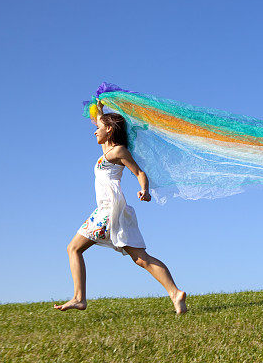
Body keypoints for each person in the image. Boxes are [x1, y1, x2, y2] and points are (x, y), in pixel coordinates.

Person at [55, 100, 187, 314]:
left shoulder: (118, 151)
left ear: (109, 129)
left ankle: (79, 297)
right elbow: (96, 118)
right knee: (141, 258)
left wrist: (145, 190)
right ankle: (175, 293)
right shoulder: (106, 148)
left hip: (108, 211)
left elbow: (139, 173)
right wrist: (100, 103)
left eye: (99, 128)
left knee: (73, 248)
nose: (94, 131)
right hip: (109, 211)